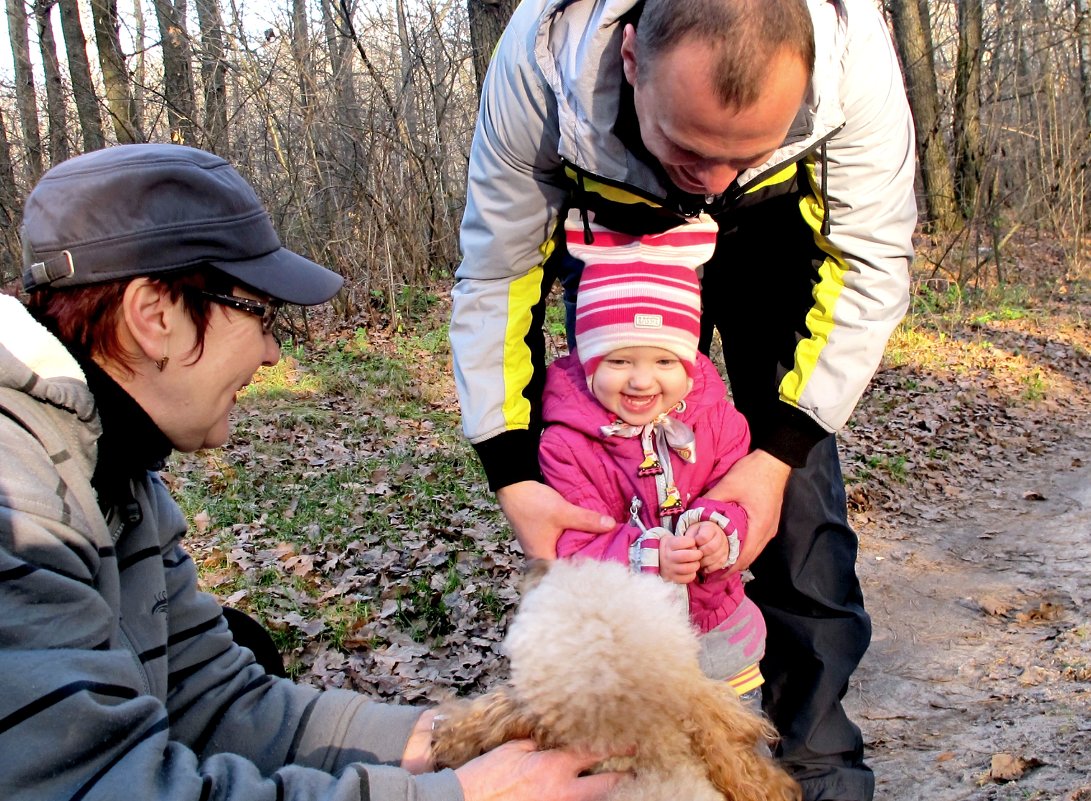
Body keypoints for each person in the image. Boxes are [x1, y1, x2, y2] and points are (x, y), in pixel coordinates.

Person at [0, 143, 622, 801]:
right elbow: (97, 786)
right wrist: (461, 796)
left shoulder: (118, 470)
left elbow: (218, 701)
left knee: (246, 646)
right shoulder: (18, 494)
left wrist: (463, 735)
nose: (271, 351)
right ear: (155, 316)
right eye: (261, 314)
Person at [447, 0, 918, 798]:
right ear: (629, 58)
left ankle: (814, 767)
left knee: (793, 511)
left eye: (741, 152)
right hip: (617, 227)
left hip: (781, 221)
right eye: (691, 147)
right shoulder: (539, 61)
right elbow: (497, 272)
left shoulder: (854, 56)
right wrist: (512, 469)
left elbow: (871, 265)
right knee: (624, 488)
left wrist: (775, 456)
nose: (712, 185)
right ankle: (649, 765)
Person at [539, 210, 765, 698]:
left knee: (736, 750)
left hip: (719, 633)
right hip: (624, 648)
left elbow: (740, 500)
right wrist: (647, 557)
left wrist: (717, 531)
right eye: (619, 360)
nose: (642, 380)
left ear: (689, 362)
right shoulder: (568, 444)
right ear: (589, 360)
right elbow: (573, 548)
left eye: (664, 360)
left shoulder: (719, 422)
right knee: (641, 759)